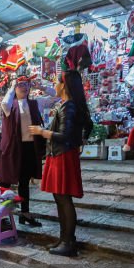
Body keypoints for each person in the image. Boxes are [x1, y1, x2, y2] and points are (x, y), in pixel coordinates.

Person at [29, 70, 92, 257]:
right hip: (59, 154)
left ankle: (68, 242)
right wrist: (81, 140)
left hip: (62, 155)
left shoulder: (69, 107)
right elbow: (87, 126)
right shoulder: (66, 105)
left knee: (64, 199)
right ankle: (65, 239)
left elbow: (64, 135)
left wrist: (42, 132)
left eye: (56, 83)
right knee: (60, 199)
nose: (54, 86)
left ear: (63, 85)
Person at [0, 77, 45, 227]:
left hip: (29, 147)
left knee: (24, 181)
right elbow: (4, 103)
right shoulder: (10, 105)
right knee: (5, 181)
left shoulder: (35, 103)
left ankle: (25, 213)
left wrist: (41, 87)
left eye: (26, 85)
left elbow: (55, 96)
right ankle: (1, 216)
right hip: (11, 147)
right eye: (20, 85)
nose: (23, 87)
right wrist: (12, 87)